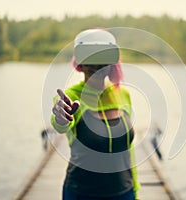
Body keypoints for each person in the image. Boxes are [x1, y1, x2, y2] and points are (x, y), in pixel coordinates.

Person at [51, 29, 140, 200]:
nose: (96, 65)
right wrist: (61, 119)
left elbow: (128, 150)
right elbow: (60, 125)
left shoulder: (123, 95)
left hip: (123, 192)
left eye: (103, 59)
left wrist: (135, 189)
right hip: (81, 192)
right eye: (89, 58)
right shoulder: (71, 97)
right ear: (79, 63)